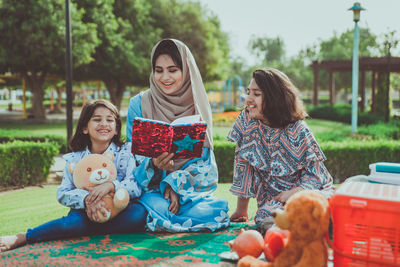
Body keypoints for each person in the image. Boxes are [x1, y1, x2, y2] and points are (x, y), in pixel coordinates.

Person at [0, 100, 146, 252]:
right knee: (72, 223)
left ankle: (86, 231)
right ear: (84, 128)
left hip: (118, 212)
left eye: (110, 120)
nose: (104, 124)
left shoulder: (126, 152)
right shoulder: (75, 159)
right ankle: (24, 237)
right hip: (84, 213)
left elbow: (135, 185)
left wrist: (111, 185)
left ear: (116, 129)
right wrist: (86, 200)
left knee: (138, 214)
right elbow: (63, 193)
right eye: (97, 119)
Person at [126, 39, 230, 232]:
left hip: (188, 192)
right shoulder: (139, 104)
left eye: (173, 70)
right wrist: (154, 165)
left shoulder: (198, 105)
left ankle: (157, 217)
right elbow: (130, 159)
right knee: (159, 208)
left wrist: (175, 184)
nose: (165, 77)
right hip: (151, 189)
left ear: (186, 70)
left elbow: (205, 164)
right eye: (159, 70)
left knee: (215, 211)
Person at [228, 68, 334, 231]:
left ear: (274, 98)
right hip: (273, 203)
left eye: (256, 94)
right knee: (267, 218)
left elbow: (316, 174)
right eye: (248, 92)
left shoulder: (298, 129)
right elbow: (243, 165)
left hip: (308, 192)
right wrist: (241, 209)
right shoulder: (246, 120)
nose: (248, 98)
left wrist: (295, 192)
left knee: (322, 206)